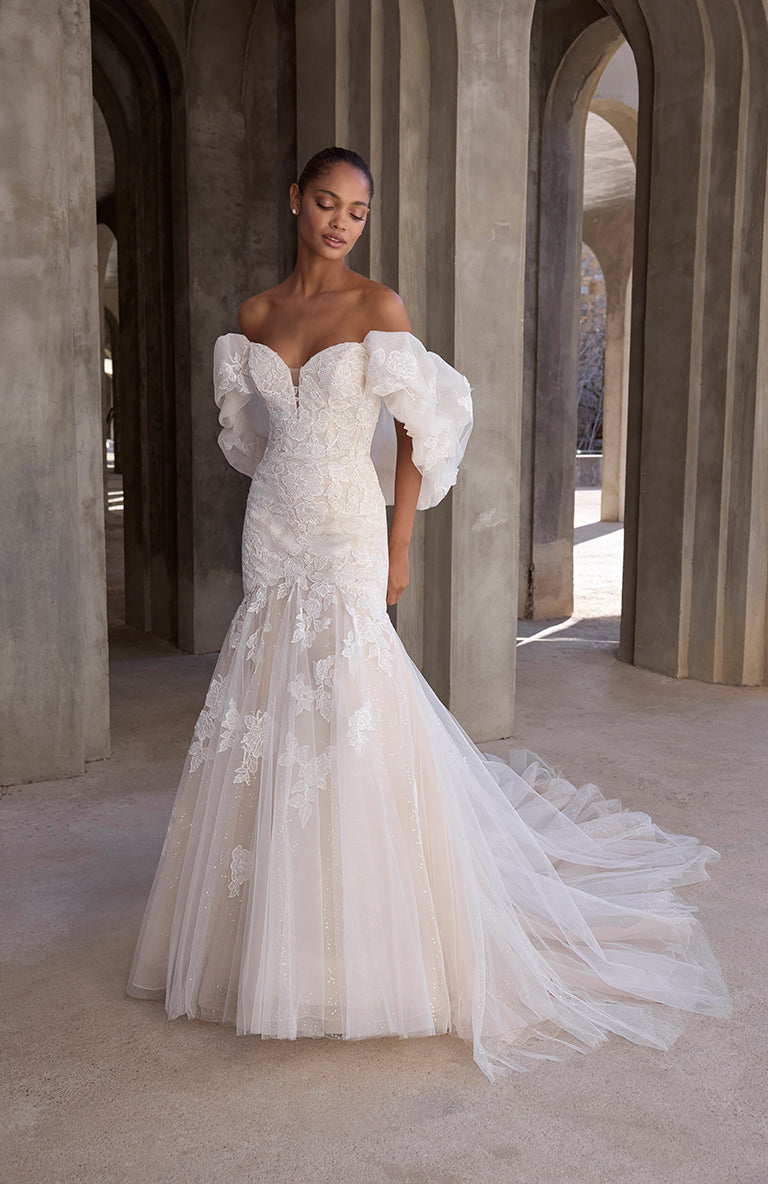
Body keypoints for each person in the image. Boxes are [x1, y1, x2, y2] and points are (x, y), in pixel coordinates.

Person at [127, 146, 731, 1082]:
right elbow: (255, 438)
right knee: (270, 705)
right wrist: (290, 484)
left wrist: (399, 542)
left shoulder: (379, 310)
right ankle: (270, 938)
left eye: (357, 211)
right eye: (326, 203)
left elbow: (418, 429)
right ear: (295, 201)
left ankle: (371, 934)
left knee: (355, 706)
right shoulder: (253, 318)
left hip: (349, 533)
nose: (340, 222)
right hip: (276, 528)